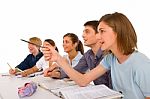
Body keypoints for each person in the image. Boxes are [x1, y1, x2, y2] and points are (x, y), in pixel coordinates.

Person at [42, 12, 150, 99]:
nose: (98, 37)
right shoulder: (110, 59)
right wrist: (59, 59)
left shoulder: (141, 64)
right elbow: (83, 80)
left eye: (102, 31)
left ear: (118, 32)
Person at [46, 21, 111, 88]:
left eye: (87, 32)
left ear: (98, 34)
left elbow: (83, 80)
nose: (83, 35)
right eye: (83, 32)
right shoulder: (88, 55)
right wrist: (56, 74)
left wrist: (59, 59)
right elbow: (75, 71)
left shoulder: (109, 55)